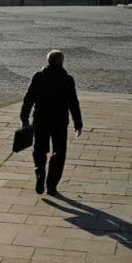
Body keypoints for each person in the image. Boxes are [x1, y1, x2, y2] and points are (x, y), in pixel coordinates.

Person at [20, 49, 83, 195]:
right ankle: (52, 185)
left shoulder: (38, 77)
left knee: (39, 149)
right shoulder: (67, 79)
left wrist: (24, 118)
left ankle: (40, 173)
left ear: (48, 61)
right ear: (62, 62)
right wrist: (78, 124)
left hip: (40, 119)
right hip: (60, 121)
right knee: (59, 152)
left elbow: (28, 98)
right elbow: (73, 103)